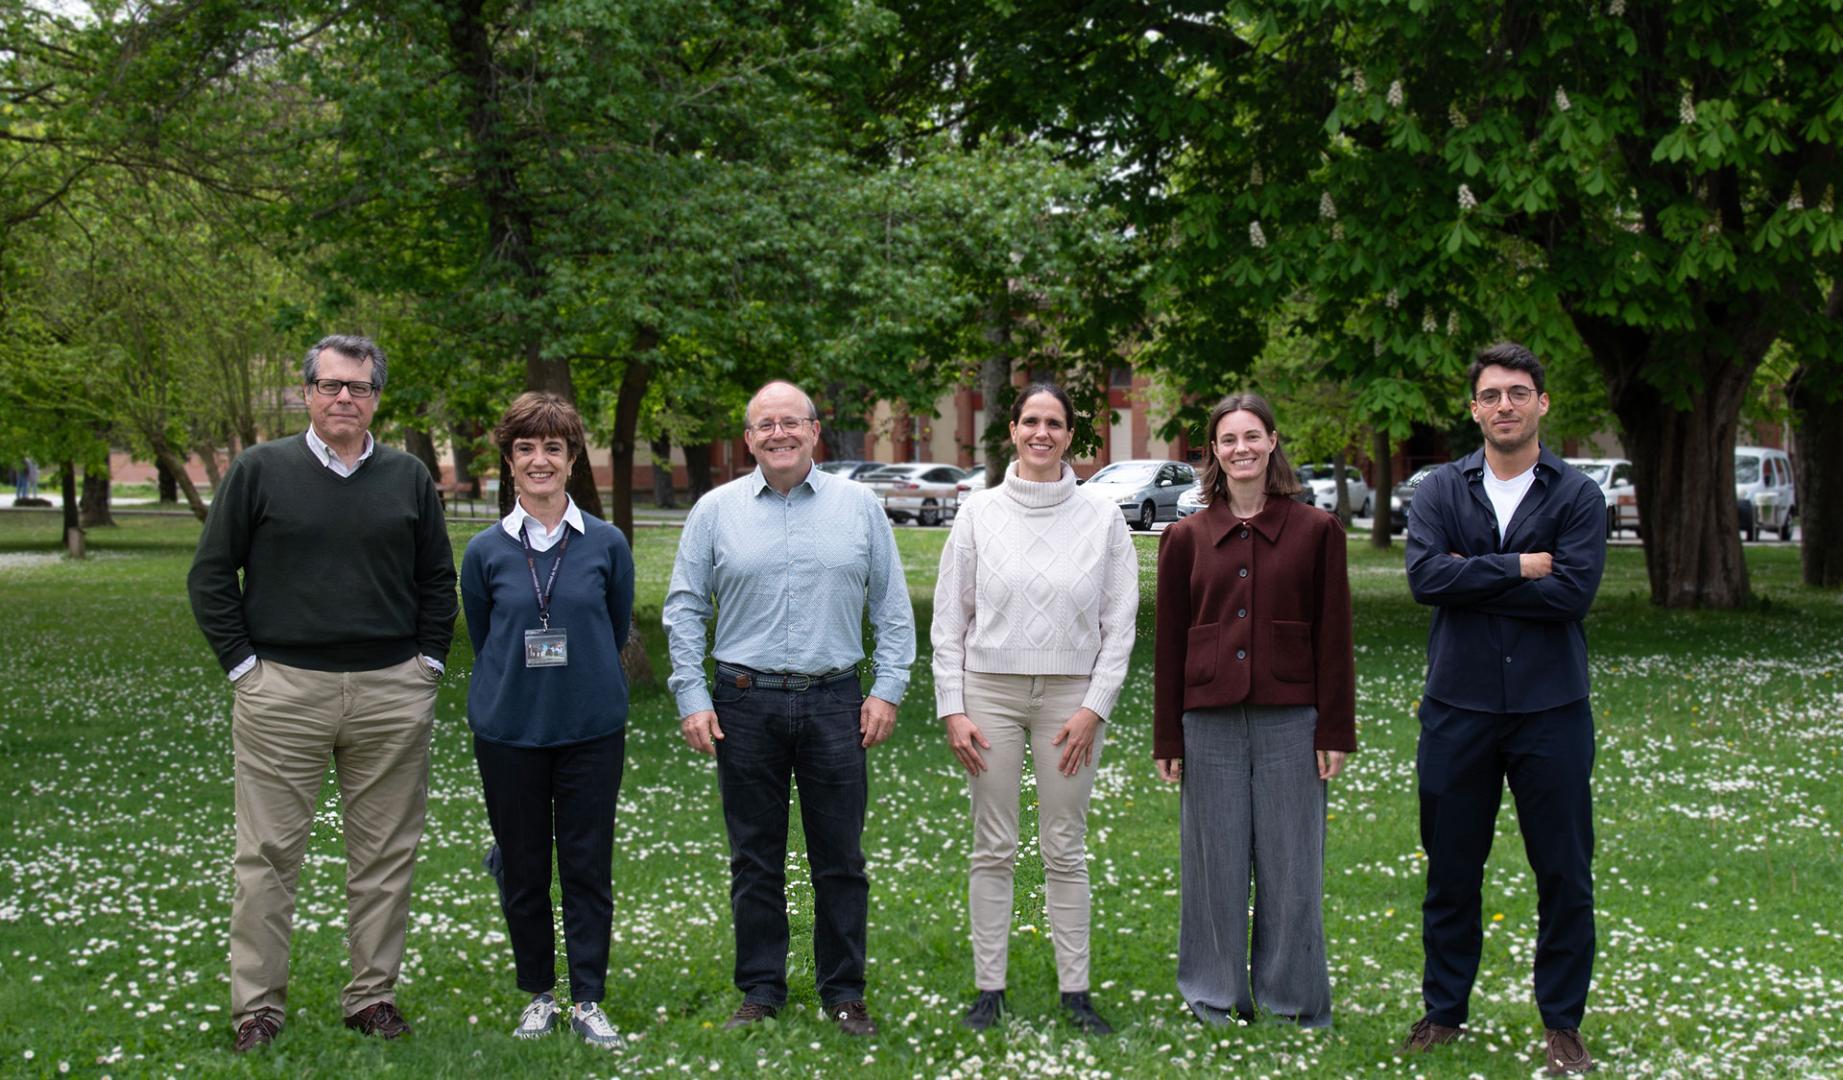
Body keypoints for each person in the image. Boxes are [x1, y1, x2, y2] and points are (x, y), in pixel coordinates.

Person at [186, 334, 456, 1052]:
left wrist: (427, 665)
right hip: (284, 691)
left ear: (375, 400)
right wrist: (246, 668)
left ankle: (371, 997)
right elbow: (212, 575)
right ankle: (257, 1009)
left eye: (359, 388)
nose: (344, 398)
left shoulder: (407, 478)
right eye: (331, 385)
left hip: (390, 691)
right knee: (268, 854)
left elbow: (437, 580)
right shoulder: (259, 470)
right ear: (306, 391)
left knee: (385, 854)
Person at [662, 380, 915, 1037]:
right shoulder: (714, 512)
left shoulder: (858, 506)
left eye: (790, 423)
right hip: (743, 703)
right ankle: (761, 988)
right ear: (748, 439)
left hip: (835, 702)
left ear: (813, 432)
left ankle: (843, 990)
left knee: (840, 859)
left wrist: (887, 688)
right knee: (754, 859)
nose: (778, 434)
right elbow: (685, 607)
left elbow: (890, 606)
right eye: (764, 425)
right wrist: (690, 695)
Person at [1401, 342, 1606, 1075]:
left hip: (1551, 709)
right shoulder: (1438, 490)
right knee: (1451, 870)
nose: (1504, 406)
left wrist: (1470, 574)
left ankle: (1562, 1023)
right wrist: (1519, 566)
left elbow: (1572, 595)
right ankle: (1443, 1009)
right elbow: (1425, 579)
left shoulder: (1577, 495)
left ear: (1541, 403)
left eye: (1518, 393)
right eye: (1490, 395)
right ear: (1474, 408)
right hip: (1458, 707)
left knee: (1563, 871)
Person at [931, 383, 1138, 1034]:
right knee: (991, 846)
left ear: (1070, 435)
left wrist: (1094, 707)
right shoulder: (977, 513)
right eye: (1029, 421)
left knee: (1064, 848)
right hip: (987, 695)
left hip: (1069, 702)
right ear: (1012, 431)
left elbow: (1119, 622)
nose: (1040, 432)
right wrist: (951, 707)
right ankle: (988, 989)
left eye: (1053, 423)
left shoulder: (1101, 517)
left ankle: (1075, 993)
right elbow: (947, 620)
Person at [1152, 392, 1355, 1029]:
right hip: (1205, 722)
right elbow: (1169, 644)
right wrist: (1168, 738)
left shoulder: (1317, 531)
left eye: (1252, 436)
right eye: (1227, 439)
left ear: (1272, 442)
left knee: (1293, 866)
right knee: (1213, 865)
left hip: (1291, 721)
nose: (1241, 449)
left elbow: (1334, 636)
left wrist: (1335, 729)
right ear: (1213, 452)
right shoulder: (1186, 538)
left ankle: (1293, 1001)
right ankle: (1215, 997)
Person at [460, 392, 635, 1049]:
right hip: (509, 734)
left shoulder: (606, 544)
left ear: (572, 458)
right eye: (526, 448)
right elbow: (485, 636)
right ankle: (538, 993)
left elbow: (614, 626)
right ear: (509, 460)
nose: (540, 460)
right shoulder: (484, 552)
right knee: (525, 868)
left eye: (553, 448)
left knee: (588, 869)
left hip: (590, 731)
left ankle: (588, 997)